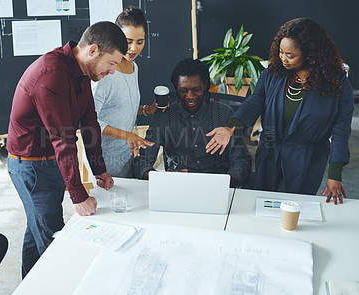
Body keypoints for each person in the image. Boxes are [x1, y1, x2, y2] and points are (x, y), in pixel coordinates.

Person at [6, 22, 127, 277]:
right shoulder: (52, 73)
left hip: (51, 161)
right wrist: (78, 196)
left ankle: (30, 285)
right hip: (31, 166)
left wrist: (100, 171)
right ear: (93, 50)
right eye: (112, 63)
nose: (113, 71)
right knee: (55, 240)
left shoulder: (82, 72)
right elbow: (63, 140)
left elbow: (89, 123)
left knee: (37, 228)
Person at [205, 18, 354, 204]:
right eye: (281, 52)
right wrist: (230, 127)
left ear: (311, 54)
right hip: (269, 150)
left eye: (290, 55)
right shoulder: (274, 73)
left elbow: (341, 128)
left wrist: (335, 174)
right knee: (264, 203)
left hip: (307, 158)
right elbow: (256, 100)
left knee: (295, 207)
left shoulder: (337, 83)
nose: (283, 58)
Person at [136, 58, 252, 186]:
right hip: (178, 185)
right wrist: (162, 178)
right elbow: (143, 162)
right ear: (176, 87)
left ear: (205, 85)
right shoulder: (165, 116)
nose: (190, 96)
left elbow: (242, 161)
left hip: (219, 184)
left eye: (196, 89)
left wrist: (224, 183)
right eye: (183, 90)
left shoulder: (225, 114)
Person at [91, 6, 157, 178]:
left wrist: (145, 110)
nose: (134, 48)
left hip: (126, 156)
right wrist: (125, 135)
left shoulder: (134, 67)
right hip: (102, 159)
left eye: (140, 42)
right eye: (128, 41)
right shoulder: (106, 72)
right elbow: (90, 120)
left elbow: (120, 106)